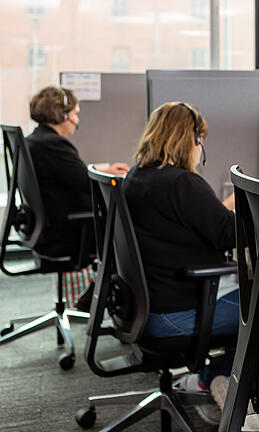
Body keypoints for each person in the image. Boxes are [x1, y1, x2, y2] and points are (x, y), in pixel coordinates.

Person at [123, 101, 237, 425]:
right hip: (174, 314)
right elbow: (228, 235)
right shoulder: (181, 183)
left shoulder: (137, 176)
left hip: (144, 308)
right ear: (191, 139)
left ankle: (208, 376)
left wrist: (217, 210)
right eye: (200, 140)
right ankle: (215, 375)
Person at [26, 86, 130, 309]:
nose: (76, 118)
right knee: (122, 233)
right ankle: (97, 299)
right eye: (75, 113)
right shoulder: (54, 144)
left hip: (45, 227)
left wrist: (106, 170)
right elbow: (85, 183)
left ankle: (94, 296)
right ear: (63, 116)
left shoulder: (36, 140)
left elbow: (73, 175)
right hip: (69, 231)